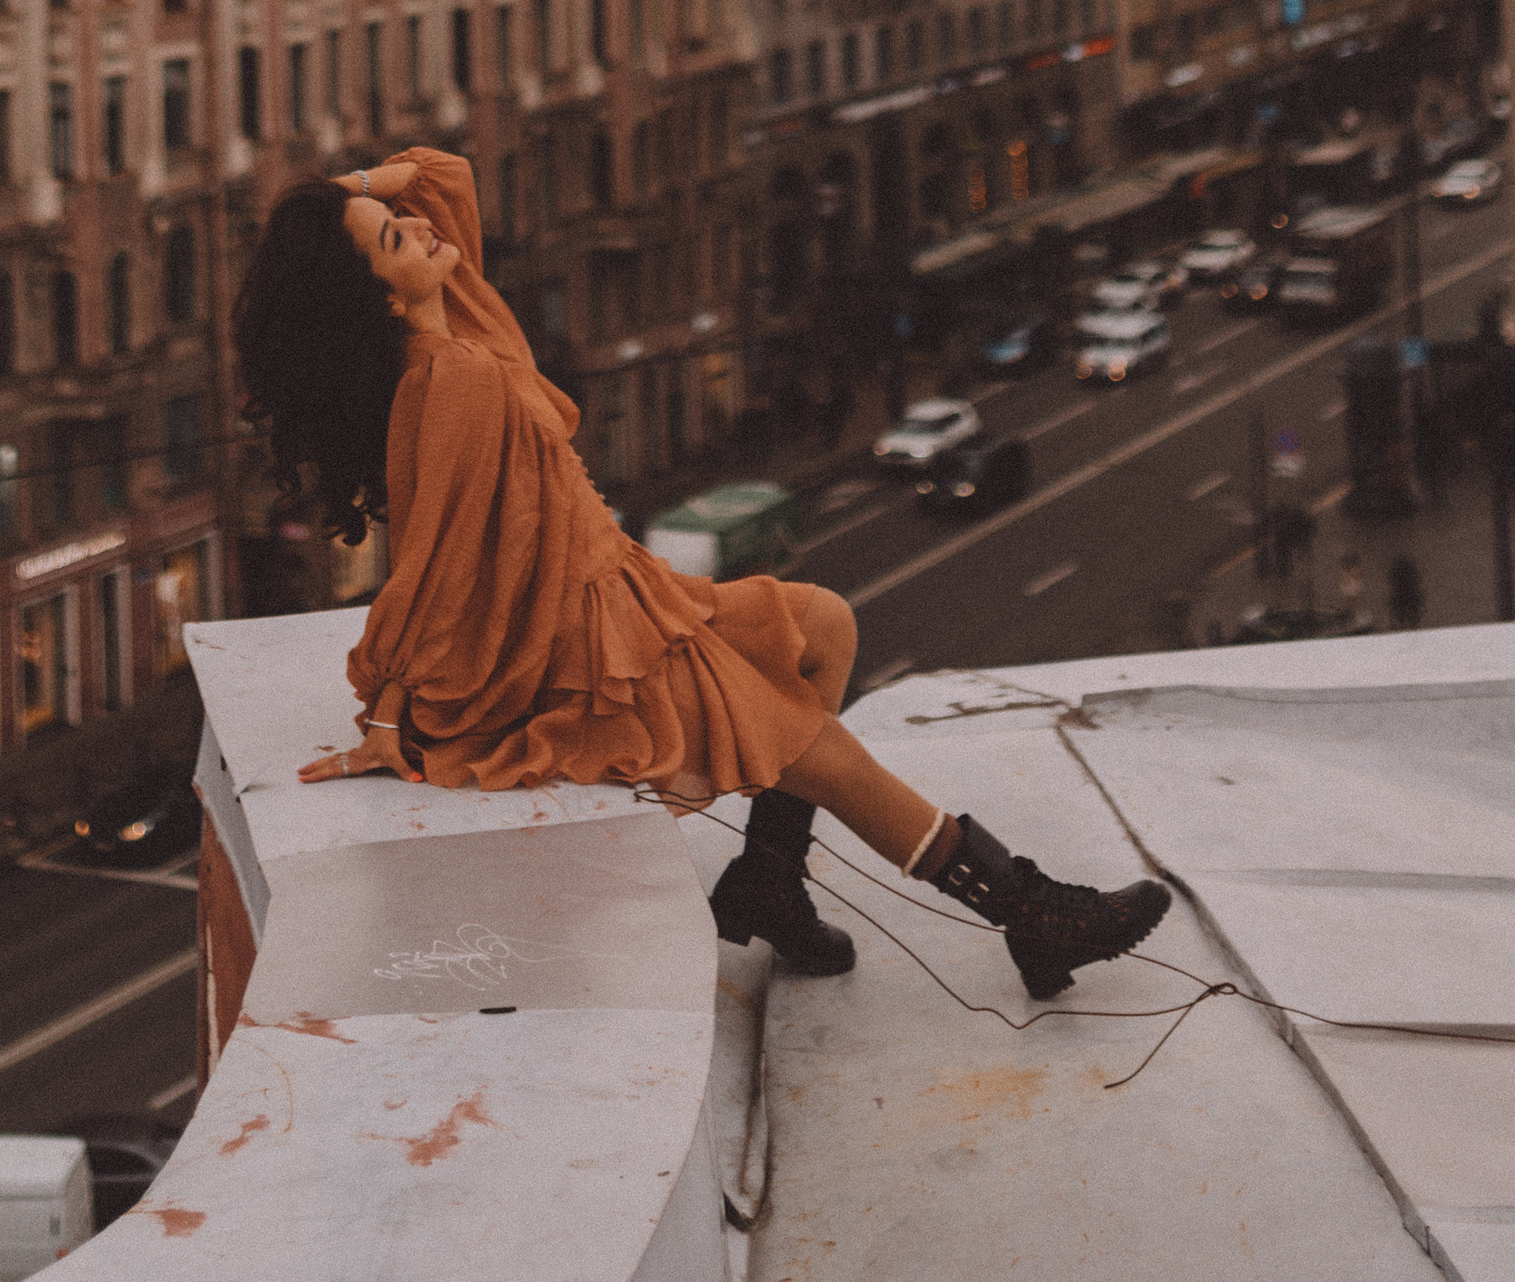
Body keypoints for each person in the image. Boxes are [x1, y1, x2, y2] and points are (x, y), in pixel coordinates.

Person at [233, 146, 1170, 1002]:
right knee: (832, 761)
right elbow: (433, 563)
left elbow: (446, 176)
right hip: (591, 644)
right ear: (384, 301)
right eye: (402, 239)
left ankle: (769, 878)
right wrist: (392, 715)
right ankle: (1033, 916)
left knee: (826, 623)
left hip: (631, 591)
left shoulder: (460, 320)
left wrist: (338, 203)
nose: (430, 230)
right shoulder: (449, 379)